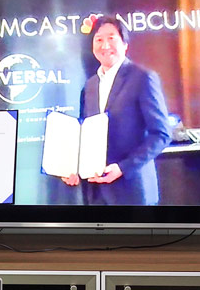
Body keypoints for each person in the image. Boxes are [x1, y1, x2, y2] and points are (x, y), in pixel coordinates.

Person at [63, 16, 171, 205]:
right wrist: (74, 168)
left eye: (111, 38)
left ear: (125, 44)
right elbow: (85, 135)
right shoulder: (90, 85)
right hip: (97, 193)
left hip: (133, 192)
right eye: (99, 39)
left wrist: (123, 167)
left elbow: (161, 134)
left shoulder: (143, 78)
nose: (105, 46)